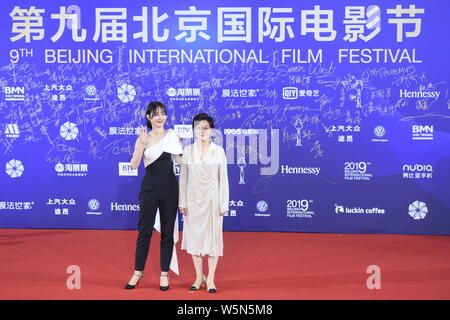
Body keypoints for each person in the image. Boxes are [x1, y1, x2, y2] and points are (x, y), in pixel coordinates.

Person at [124, 101, 182, 291]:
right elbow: (134, 165)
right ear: (148, 117)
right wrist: (141, 144)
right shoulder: (144, 138)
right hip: (149, 188)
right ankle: (137, 272)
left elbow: (181, 160)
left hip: (170, 188)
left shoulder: (172, 136)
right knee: (145, 231)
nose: (160, 117)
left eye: (163, 114)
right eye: (156, 114)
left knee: (167, 231)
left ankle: (164, 273)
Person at [178, 113, 229, 293]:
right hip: (192, 202)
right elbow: (183, 179)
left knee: (214, 241)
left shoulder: (219, 151)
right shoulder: (187, 151)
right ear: (193, 130)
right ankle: (199, 277)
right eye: (198, 128)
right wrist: (182, 202)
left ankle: (212, 278)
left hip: (213, 202)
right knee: (194, 240)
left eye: (205, 128)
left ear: (211, 130)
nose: (202, 131)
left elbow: (224, 179)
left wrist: (224, 204)